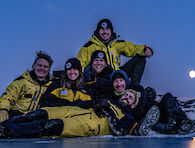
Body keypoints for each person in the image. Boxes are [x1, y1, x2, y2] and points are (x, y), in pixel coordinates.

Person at [0, 94, 138, 138]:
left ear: (133, 105)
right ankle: (3, 125)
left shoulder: (127, 117)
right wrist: (95, 102)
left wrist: (110, 110)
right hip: (72, 109)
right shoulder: (109, 99)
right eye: (126, 94)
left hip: (88, 124)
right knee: (36, 114)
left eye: (130, 98)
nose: (126, 97)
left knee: (50, 126)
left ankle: (5, 132)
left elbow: (120, 130)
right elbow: (85, 102)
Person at [77, 18, 153, 83]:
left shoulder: (117, 44)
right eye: (102, 29)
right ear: (98, 31)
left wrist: (144, 50)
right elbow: (80, 64)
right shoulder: (89, 47)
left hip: (117, 74)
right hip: (101, 78)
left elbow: (131, 49)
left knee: (140, 58)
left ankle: (133, 88)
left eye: (107, 29)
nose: (105, 32)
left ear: (111, 31)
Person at [0, 51, 53, 122]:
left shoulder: (52, 86)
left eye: (45, 66)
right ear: (33, 66)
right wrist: (3, 109)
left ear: (49, 69)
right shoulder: (22, 82)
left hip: (36, 119)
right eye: (39, 65)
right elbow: (7, 97)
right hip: (16, 116)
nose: (42, 68)